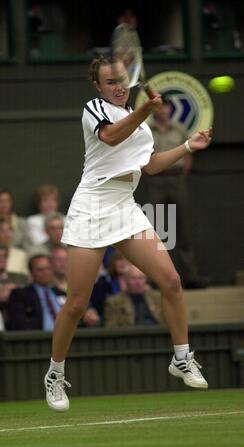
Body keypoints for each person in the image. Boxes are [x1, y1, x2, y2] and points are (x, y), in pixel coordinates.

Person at [44, 56, 212, 411]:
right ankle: (55, 374)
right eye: (110, 82)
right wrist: (145, 111)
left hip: (126, 206)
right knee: (76, 304)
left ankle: (181, 357)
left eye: (121, 80)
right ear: (98, 86)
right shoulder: (94, 109)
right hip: (91, 207)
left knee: (170, 280)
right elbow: (110, 137)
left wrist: (186, 148)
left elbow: (148, 166)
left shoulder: (141, 124)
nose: (118, 87)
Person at [146, 97, 209, 289]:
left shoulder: (179, 129)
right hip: (155, 180)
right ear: (155, 109)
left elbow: (187, 155)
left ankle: (190, 276)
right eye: (160, 107)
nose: (163, 111)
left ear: (170, 109)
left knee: (183, 227)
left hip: (177, 179)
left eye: (166, 108)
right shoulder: (147, 130)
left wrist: (180, 171)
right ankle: (156, 277)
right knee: (155, 229)